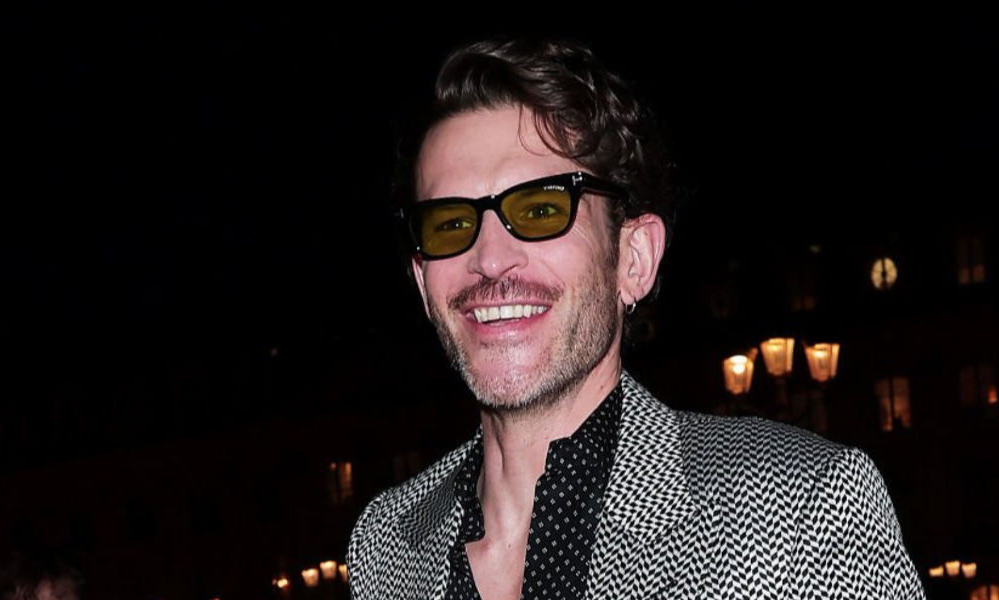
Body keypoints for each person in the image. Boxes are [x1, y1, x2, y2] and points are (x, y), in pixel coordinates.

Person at [347, 35, 926, 599]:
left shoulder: (798, 506)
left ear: (634, 259)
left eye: (541, 208)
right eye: (450, 224)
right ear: (422, 281)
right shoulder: (387, 545)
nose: (491, 259)